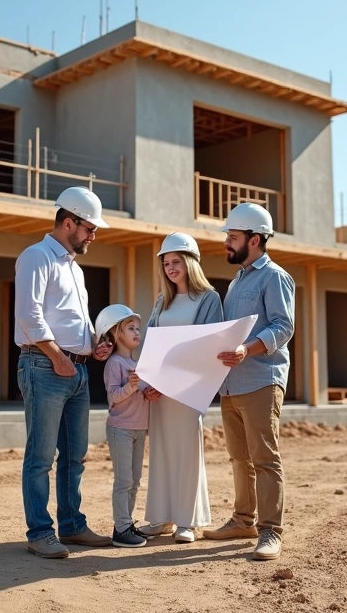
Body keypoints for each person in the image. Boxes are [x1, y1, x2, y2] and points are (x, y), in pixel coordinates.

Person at [15, 187, 115, 559]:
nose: (93, 236)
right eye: (89, 228)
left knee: (75, 456)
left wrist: (93, 346)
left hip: (76, 370)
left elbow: (74, 323)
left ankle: (71, 526)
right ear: (68, 221)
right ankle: (40, 532)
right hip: (44, 366)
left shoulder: (74, 268)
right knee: (40, 456)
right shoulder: (36, 256)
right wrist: (58, 358)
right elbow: (29, 315)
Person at [203, 203, 295, 562]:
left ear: (254, 239)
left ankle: (270, 530)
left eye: (233, 236)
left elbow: (283, 326)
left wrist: (247, 349)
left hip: (261, 380)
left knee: (264, 458)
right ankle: (244, 520)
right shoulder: (239, 279)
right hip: (231, 383)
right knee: (239, 458)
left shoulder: (274, 277)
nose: (227, 242)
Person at [138, 232, 223, 544]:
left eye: (175, 261)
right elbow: (151, 343)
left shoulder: (209, 299)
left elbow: (208, 347)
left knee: (187, 453)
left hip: (188, 392)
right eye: (166, 262)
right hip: (160, 392)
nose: (170, 267)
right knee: (161, 451)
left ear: (190, 262)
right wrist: (149, 382)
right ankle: (161, 518)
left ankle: (187, 522)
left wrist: (172, 381)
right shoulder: (163, 301)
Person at [95, 304, 153, 548]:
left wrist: (148, 392)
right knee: (123, 481)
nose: (137, 332)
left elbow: (138, 394)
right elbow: (114, 397)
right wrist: (131, 386)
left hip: (140, 428)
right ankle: (120, 529)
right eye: (131, 328)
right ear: (117, 333)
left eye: (138, 328)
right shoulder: (115, 364)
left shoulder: (139, 364)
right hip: (121, 428)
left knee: (136, 480)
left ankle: (127, 524)